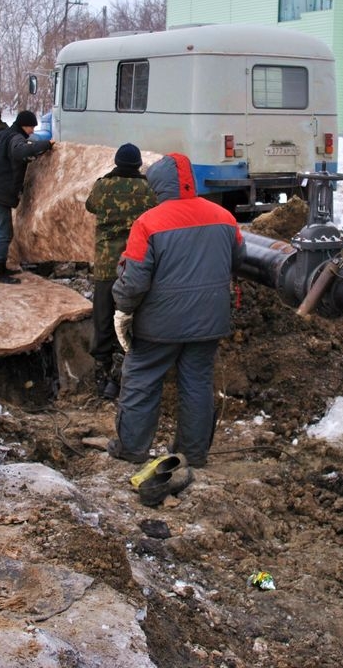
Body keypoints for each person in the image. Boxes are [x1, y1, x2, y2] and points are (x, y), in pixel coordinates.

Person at [109, 153, 245, 468]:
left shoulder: (148, 222)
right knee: (197, 382)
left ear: (158, 186)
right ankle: (194, 453)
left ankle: (132, 448)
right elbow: (237, 261)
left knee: (142, 379)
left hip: (159, 323)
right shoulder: (224, 217)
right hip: (210, 319)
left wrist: (123, 310)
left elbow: (135, 279)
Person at [85, 143, 157, 398]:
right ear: (138, 164)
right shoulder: (147, 190)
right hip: (134, 266)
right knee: (131, 320)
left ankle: (102, 377)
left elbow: (90, 206)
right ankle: (126, 375)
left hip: (106, 266)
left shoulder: (102, 186)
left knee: (103, 320)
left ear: (116, 162)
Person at [0, 110, 53, 284]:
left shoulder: (2, 134)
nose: (32, 131)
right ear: (23, 125)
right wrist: (45, 145)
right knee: (4, 232)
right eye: (31, 127)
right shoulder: (15, 138)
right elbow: (21, 152)